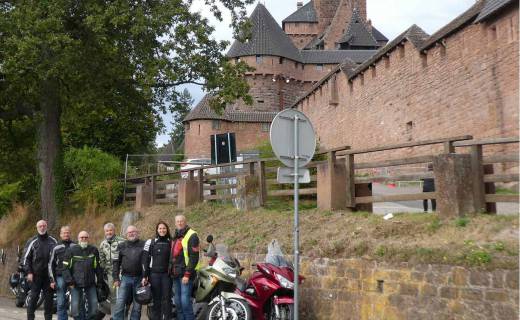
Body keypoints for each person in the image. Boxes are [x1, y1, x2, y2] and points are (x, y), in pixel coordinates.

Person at [62, 231, 104, 320]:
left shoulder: (93, 250)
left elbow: (98, 268)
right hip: (75, 284)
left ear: (88, 238)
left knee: (94, 309)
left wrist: (100, 282)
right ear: (78, 239)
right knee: (75, 310)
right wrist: (70, 281)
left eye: (86, 237)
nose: (84, 239)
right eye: (82, 237)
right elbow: (65, 268)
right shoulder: (71, 250)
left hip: (90, 283)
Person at [23, 220, 57, 320]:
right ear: (37, 227)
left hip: (49, 277)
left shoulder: (53, 241)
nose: (42, 227)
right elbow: (26, 258)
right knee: (33, 299)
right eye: (40, 226)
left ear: (46, 226)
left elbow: (57, 258)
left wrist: (55, 275)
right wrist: (29, 272)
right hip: (35, 275)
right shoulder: (32, 241)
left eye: (44, 225)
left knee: (49, 301)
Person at [171, 215, 201, 320]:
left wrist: (187, 274)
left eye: (181, 221)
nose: (179, 223)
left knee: (185, 302)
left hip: (185, 275)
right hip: (175, 274)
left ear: (185, 222)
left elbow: (194, 257)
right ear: (175, 223)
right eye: (177, 221)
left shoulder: (192, 235)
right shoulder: (176, 235)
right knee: (178, 303)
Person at [112, 225, 145, 320]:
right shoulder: (121, 246)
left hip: (140, 279)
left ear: (137, 233)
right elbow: (115, 263)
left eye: (133, 231)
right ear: (126, 234)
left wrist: (146, 277)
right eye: (129, 232)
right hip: (125, 278)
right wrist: (115, 278)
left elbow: (148, 261)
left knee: (137, 305)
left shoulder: (144, 244)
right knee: (120, 303)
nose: (131, 233)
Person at [142, 222, 173, 320]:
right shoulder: (150, 242)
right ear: (157, 230)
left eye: (164, 228)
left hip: (167, 276)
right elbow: (145, 260)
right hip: (154, 275)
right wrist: (144, 276)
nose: (162, 230)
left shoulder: (172, 242)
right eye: (160, 228)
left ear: (167, 229)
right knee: (156, 300)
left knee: (167, 300)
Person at [49, 225, 77, 320]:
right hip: (60, 277)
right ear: (60, 234)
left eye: (68, 232)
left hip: (73, 277)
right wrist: (52, 280)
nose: (66, 234)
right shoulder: (56, 247)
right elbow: (50, 265)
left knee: (76, 302)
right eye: (64, 233)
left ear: (70, 234)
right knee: (61, 302)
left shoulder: (75, 246)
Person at [99, 222, 125, 315]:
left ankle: (123, 316)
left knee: (123, 296)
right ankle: (115, 316)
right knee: (113, 297)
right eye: (107, 231)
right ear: (104, 232)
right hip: (110, 274)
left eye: (110, 230)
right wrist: (103, 272)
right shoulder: (103, 244)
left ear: (114, 231)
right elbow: (101, 260)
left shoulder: (122, 241)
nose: (109, 232)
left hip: (122, 273)